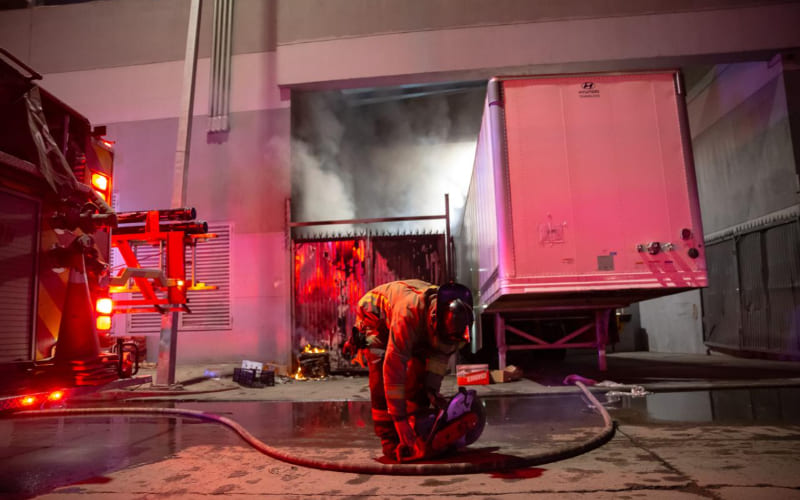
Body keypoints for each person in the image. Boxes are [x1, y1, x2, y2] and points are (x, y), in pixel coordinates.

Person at [352, 279, 474, 461]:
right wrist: (400, 421)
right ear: (434, 319)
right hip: (375, 315)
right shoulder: (408, 314)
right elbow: (394, 367)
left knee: (419, 376)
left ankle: (416, 428)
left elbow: (438, 361)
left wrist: (430, 390)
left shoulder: (456, 330)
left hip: (417, 321)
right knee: (380, 374)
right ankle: (389, 440)